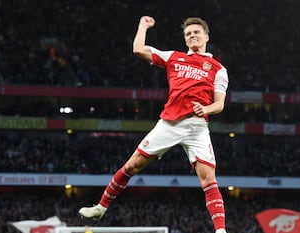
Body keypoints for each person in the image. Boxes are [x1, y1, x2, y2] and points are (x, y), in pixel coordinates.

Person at [79, 16, 229, 233]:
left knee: (208, 179)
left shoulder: (218, 69)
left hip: (197, 127)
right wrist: (143, 26)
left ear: (206, 36)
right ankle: (101, 208)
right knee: (132, 165)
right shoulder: (173, 57)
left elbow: (219, 104)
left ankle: (221, 231)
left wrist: (206, 109)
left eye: (196, 32)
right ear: (185, 40)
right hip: (168, 124)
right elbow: (138, 49)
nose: (192, 36)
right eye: (188, 34)